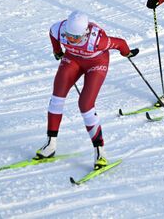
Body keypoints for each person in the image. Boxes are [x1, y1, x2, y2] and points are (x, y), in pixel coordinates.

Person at [36, 11, 138, 169]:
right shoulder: (60, 29)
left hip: (96, 63)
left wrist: (127, 53)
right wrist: (57, 51)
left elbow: (120, 43)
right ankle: (50, 144)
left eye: (75, 37)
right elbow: (52, 32)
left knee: (85, 104)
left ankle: (100, 152)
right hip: (73, 59)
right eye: (68, 35)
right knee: (57, 97)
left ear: (84, 33)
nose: (70, 39)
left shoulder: (98, 40)